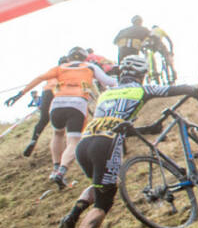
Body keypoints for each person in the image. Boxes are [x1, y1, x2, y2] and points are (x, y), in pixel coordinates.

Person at [57, 54, 198, 228]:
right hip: (106, 145)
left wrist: (146, 129)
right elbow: (173, 90)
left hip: (85, 145)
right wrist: (192, 90)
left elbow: (113, 123)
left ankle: (75, 212)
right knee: (104, 201)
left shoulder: (106, 94)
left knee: (100, 185)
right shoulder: (142, 89)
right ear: (141, 74)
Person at [7, 47, 118, 189]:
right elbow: (109, 81)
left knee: (58, 134)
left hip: (57, 103)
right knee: (73, 141)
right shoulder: (89, 66)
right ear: (84, 57)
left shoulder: (60, 67)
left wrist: (19, 94)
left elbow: (40, 78)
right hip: (77, 103)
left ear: (69, 58)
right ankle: (61, 171)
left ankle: (55, 168)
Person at [20, 75, 55, 158]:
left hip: (46, 93)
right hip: (58, 93)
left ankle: (33, 140)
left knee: (42, 121)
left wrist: (20, 94)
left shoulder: (53, 73)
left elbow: (39, 78)